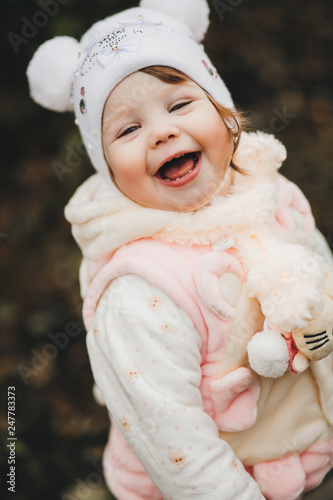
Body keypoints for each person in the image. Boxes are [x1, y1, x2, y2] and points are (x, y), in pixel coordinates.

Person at [26, 1, 333, 498]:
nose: (162, 131)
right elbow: (176, 440)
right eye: (127, 129)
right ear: (105, 167)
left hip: (315, 446)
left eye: (180, 104)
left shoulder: (271, 194)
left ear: (221, 106)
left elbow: (323, 283)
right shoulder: (140, 290)